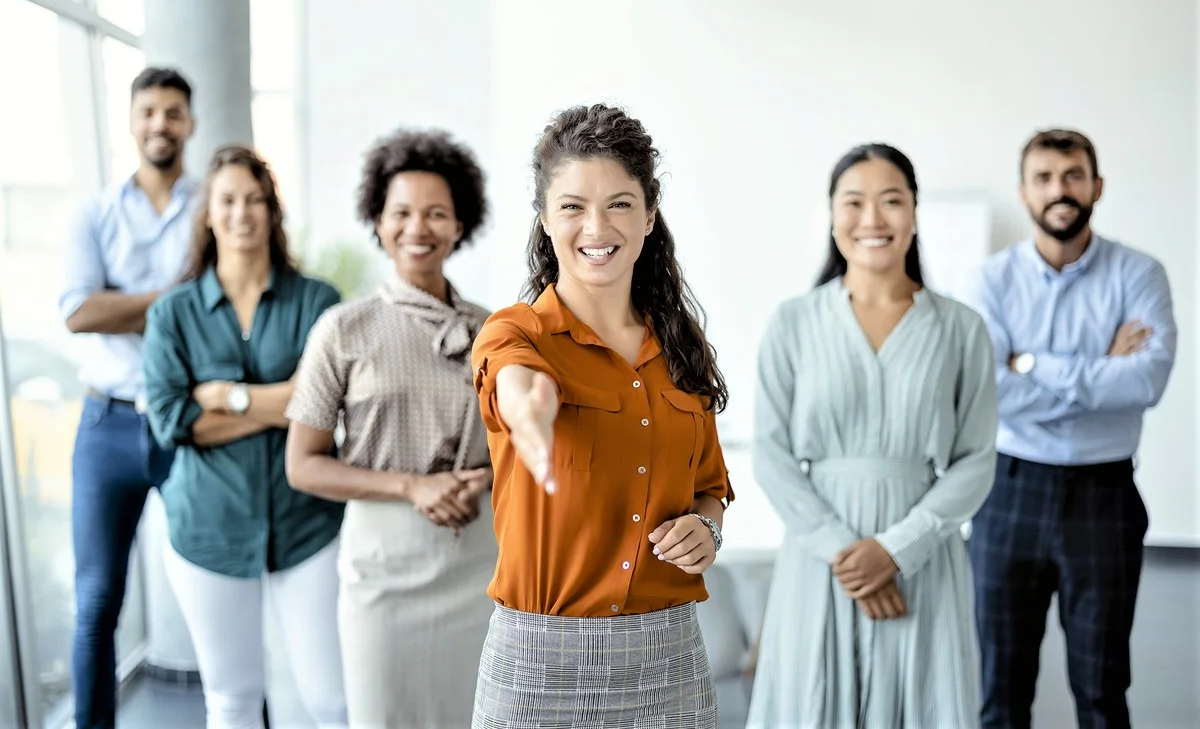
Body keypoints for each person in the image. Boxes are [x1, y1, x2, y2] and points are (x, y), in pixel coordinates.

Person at [468, 103, 734, 728]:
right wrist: (529, 405)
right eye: (572, 205)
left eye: (619, 203)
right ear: (544, 219)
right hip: (540, 666)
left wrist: (708, 530)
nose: (597, 225)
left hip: (670, 663)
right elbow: (514, 381)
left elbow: (709, 488)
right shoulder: (517, 333)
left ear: (648, 217)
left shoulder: (680, 345)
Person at [746, 143, 998, 728]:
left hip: (924, 561)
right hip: (820, 560)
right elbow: (772, 455)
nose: (872, 219)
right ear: (832, 215)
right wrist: (847, 554)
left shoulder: (961, 329)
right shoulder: (793, 323)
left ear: (914, 213)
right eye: (853, 202)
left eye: (891, 201)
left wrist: (896, 551)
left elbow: (975, 459)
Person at [961, 129, 1176, 729]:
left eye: (1074, 175)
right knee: (1001, 692)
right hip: (1007, 493)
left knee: (1103, 688)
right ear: (1025, 192)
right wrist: (1102, 370)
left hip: (1103, 496)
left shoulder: (1140, 274)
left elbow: (1147, 382)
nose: (1061, 189)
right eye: (1045, 177)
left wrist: (1028, 363)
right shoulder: (989, 282)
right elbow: (988, 390)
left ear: (1097, 186)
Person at [284, 128, 497, 727]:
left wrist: (483, 478)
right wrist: (412, 486)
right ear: (378, 222)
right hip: (383, 568)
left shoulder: (499, 331)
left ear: (461, 225)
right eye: (401, 212)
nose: (418, 228)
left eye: (436, 213)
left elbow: (527, 446)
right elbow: (302, 465)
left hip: (478, 559)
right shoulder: (342, 329)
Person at [141, 145, 347, 729]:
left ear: (272, 212)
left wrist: (225, 397)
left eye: (255, 200)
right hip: (207, 530)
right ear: (208, 213)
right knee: (231, 700)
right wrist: (283, 403)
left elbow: (326, 410)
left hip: (305, 525)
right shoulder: (172, 314)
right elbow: (172, 422)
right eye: (228, 200)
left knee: (330, 699)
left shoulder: (318, 301)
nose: (242, 213)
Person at [58, 67, 200, 729]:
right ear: (131, 120)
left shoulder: (210, 209)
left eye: (173, 112)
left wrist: (129, 305)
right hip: (106, 426)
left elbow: (220, 309)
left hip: (188, 425)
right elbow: (80, 313)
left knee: (216, 587)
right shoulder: (94, 211)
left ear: (190, 124)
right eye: (149, 111)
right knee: (96, 601)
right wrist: (173, 300)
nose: (160, 124)